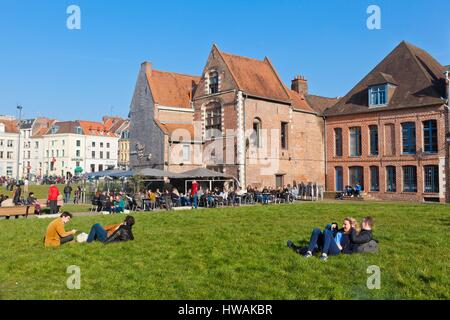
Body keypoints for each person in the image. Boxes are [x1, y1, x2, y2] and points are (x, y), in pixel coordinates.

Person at [288, 217, 354, 261]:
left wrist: (343, 249)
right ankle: (309, 252)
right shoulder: (341, 230)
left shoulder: (352, 234)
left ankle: (324, 255)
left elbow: (353, 248)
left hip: (336, 250)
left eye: (345, 224)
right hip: (328, 245)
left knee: (326, 232)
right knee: (316, 230)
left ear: (351, 225)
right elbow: (330, 232)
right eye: (343, 224)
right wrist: (332, 226)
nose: (343, 226)